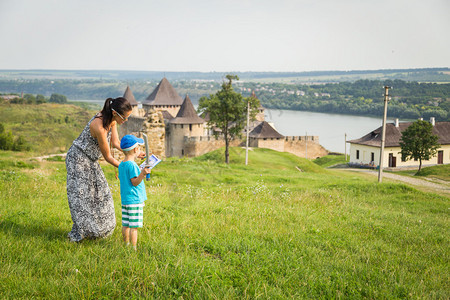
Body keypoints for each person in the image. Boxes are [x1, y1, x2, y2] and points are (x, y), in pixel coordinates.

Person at [66, 97, 135, 242]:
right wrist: (127, 167)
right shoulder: (99, 126)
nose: (126, 120)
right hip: (78, 159)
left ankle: (98, 232)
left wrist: (131, 152)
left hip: (91, 160)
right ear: (115, 112)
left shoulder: (113, 120)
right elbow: (108, 157)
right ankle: (83, 233)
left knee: (102, 195)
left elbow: (116, 142)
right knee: (82, 198)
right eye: (125, 117)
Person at [118, 135, 151, 250]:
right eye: (139, 148)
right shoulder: (132, 166)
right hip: (134, 200)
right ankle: (133, 248)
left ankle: (125, 244)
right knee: (134, 227)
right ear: (136, 150)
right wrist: (142, 174)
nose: (141, 150)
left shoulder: (122, 164)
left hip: (126, 200)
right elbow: (135, 182)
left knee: (126, 224)